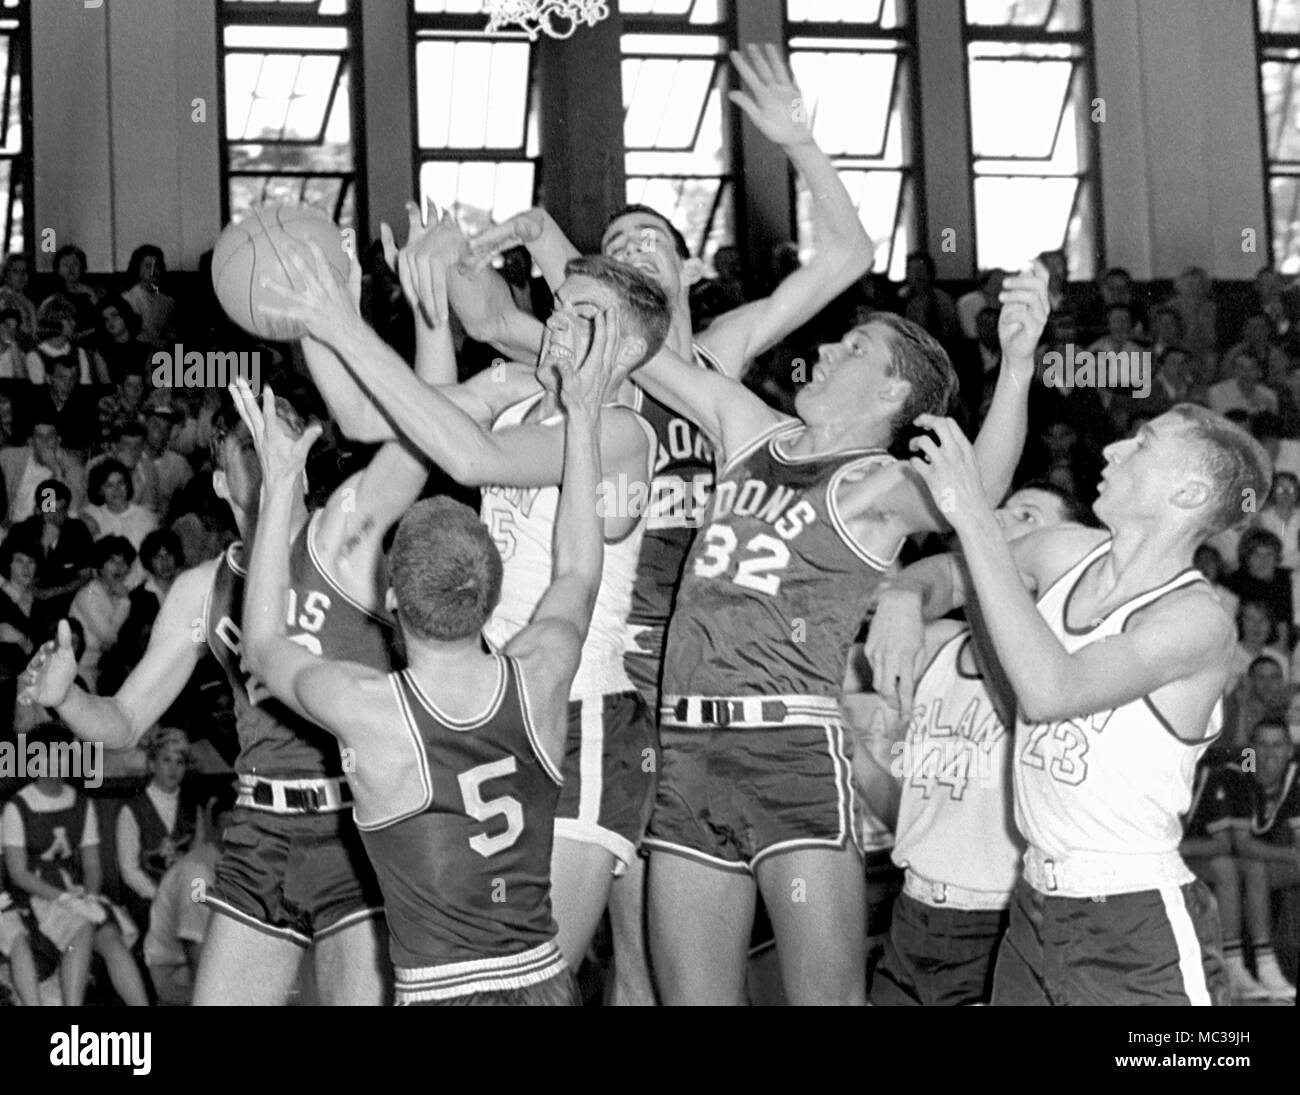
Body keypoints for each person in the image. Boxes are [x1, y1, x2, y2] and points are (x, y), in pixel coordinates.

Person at [458, 44, 878, 1003]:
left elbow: (849, 257)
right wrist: (482, 250)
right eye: (614, 242)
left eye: (650, 237)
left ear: (687, 262)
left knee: (674, 951)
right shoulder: (593, 366)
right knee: (632, 944)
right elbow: (490, 322)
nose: (631, 246)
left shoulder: (721, 357)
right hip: (606, 670)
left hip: (705, 675)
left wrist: (802, 143)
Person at [610, 249, 1045, 1003]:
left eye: (854, 349)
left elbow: (980, 486)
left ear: (894, 389)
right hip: (687, 749)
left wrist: (1014, 366)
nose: (823, 351)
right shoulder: (752, 429)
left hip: (790, 751)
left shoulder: (873, 484)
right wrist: (591, 269)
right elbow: (639, 351)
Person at [264, 224, 671, 996]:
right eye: (556, 304)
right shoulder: (522, 389)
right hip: (499, 711)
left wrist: (348, 325)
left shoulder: (621, 432)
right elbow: (367, 417)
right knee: (476, 974)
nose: (552, 321)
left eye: (579, 314)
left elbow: (470, 458)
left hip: (580, 714)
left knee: (534, 968)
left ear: (622, 350)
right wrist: (316, 314)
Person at [18, 365, 434, 1003]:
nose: (265, 446)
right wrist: (67, 697)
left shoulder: (349, 532)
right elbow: (126, 722)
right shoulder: (200, 589)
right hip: (260, 830)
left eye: (279, 433)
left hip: (356, 828)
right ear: (218, 482)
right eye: (247, 442)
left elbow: (419, 442)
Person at [871, 403, 1271, 1005]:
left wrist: (974, 514)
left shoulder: (1198, 620)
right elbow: (955, 575)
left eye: (1141, 443)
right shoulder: (1063, 549)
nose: (1112, 451)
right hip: (1035, 910)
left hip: (1133, 920)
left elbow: (1051, 691)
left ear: (1188, 492)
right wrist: (905, 594)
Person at [863, 483, 1082, 1007]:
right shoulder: (935, 649)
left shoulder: (1064, 667)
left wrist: (925, 588)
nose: (1002, 521)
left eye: (1026, 516)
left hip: (1001, 922)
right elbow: (910, 812)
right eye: (997, 511)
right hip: (912, 913)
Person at [2, 722, 148, 1006]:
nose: (54, 763)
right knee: (80, 927)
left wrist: (88, 896)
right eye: (44, 755)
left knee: (110, 937)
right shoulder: (17, 807)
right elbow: (18, 873)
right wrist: (64, 899)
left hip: (75, 890)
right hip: (34, 895)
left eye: (61, 754)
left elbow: (93, 865)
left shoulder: (83, 804)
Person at [1178, 751, 1261, 999]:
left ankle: (1238, 964)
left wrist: (1177, 849)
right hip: (1136, 863)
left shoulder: (1217, 776)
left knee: (1231, 867)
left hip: (1176, 859)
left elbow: (1227, 843)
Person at [116, 726, 202, 943]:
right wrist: (163, 899)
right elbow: (129, 871)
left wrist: (195, 899)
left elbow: (199, 863)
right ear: (152, 764)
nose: (173, 768)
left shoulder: (193, 809)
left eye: (179, 762)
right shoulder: (132, 810)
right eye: (166, 760)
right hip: (147, 898)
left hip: (187, 896)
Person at [1235, 718, 1300, 1000]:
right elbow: (1241, 844)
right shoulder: (1242, 772)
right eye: (1261, 744)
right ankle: (1259, 966)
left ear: (1289, 749)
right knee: (1251, 868)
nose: (1269, 753)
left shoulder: (1295, 778)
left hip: (1270, 862)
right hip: (1234, 859)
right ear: (1251, 748)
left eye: (1277, 745)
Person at [144, 802, 229, 1006]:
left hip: (220, 965)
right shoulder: (197, 875)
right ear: (217, 827)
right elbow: (195, 948)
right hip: (175, 974)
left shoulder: (244, 863)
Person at [68, 535, 135, 691]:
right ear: (100, 565)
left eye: (124, 562)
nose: (119, 567)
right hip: (79, 670)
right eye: (112, 561)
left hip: (103, 668)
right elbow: (108, 635)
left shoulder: (120, 594)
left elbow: (121, 639)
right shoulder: (88, 594)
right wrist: (125, 602)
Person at [1, 418, 87, 525]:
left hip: (45, 528)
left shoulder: (73, 468)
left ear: (58, 441)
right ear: (31, 441)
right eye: (39, 436)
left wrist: (56, 471)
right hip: (10, 526)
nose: (45, 442)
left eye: (50, 436)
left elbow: (71, 510)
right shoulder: (11, 458)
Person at [121, 245, 175, 346]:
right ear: (138, 269)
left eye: (156, 265)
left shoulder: (168, 301)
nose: (153, 271)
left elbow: (171, 332)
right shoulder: (127, 299)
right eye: (148, 266)